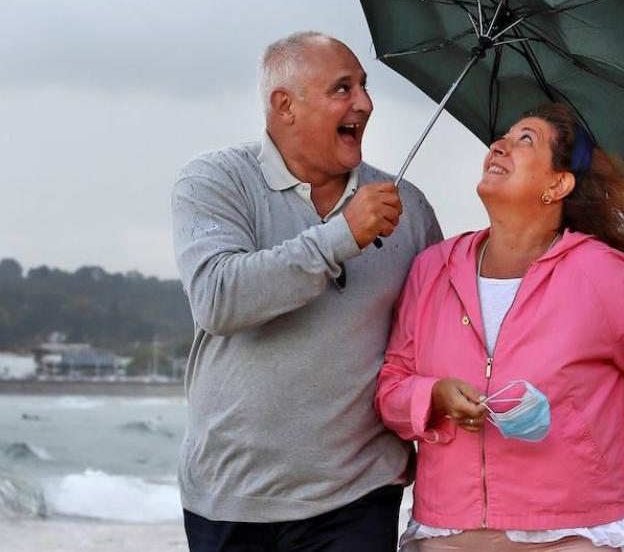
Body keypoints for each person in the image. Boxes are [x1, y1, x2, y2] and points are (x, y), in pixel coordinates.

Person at [377, 102, 624, 551]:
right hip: (447, 532)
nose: (499, 146)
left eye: (526, 140)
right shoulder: (433, 269)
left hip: (574, 533)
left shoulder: (602, 275)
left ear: (558, 184)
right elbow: (390, 388)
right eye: (503, 136)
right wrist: (433, 395)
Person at [172, 31, 442, 552]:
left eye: (364, 87)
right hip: (230, 496)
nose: (363, 103)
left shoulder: (408, 206)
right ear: (284, 105)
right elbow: (218, 300)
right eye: (343, 89)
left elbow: (443, 333)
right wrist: (343, 237)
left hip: (359, 493)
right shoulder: (214, 180)